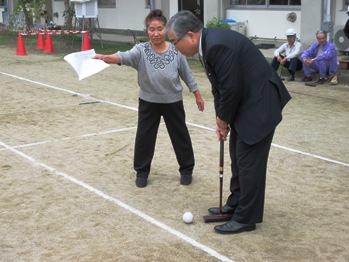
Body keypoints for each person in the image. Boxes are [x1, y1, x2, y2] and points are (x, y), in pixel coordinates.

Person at [167, 11, 291, 234]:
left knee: (249, 162)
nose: (175, 48)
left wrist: (224, 120)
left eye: (174, 42)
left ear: (190, 36)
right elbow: (220, 88)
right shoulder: (208, 44)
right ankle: (235, 205)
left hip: (260, 105)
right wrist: (219, 118)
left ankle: (246, 218)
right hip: (247, 103)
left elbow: (231, 89)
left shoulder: (216, 46)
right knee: (237, 155)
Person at [94, 9, 204, 188]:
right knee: (144, 137)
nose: (156, 33)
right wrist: (108, 58)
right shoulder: (141, 50)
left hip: (173, 102)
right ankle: (142, 172)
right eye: (151, 29)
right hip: (148, 102)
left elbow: (187, 74)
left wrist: (197, 93)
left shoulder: (176, 50)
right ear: (147, 31)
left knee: (180, 136)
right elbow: (124, 56)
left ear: (166, 30)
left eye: (160, 29)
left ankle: (186, 169)